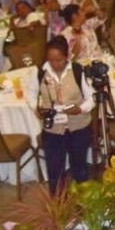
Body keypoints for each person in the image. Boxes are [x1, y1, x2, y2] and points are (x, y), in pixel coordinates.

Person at [37, 36, 93, 193]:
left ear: (67, 56)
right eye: (51, 60)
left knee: (80, 169)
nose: (55, 64)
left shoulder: (77, 71)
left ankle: (84, 201)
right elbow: (31, 97)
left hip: (78, 128)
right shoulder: (40, 73)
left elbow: (91, 99)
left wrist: (79, 109)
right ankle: (58, 204)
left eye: (59, 60)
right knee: (55, 172)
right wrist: (39, 109)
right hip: (53, 131)